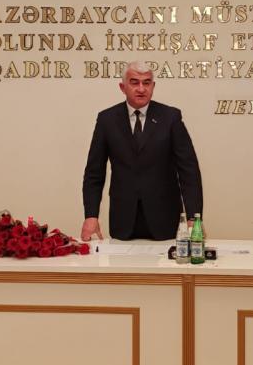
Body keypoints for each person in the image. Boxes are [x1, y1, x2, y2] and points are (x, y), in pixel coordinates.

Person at [81, 62, 203, 241]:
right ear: (122, 87)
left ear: (153, 86)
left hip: (165, 219)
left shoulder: (170, 117)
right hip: (123, 220)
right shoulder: (107, 119)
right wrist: (91, 216)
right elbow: (94, 173)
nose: (141, 89)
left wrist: (194, 218)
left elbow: (188, 171)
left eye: (146, 83)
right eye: (134, 82)